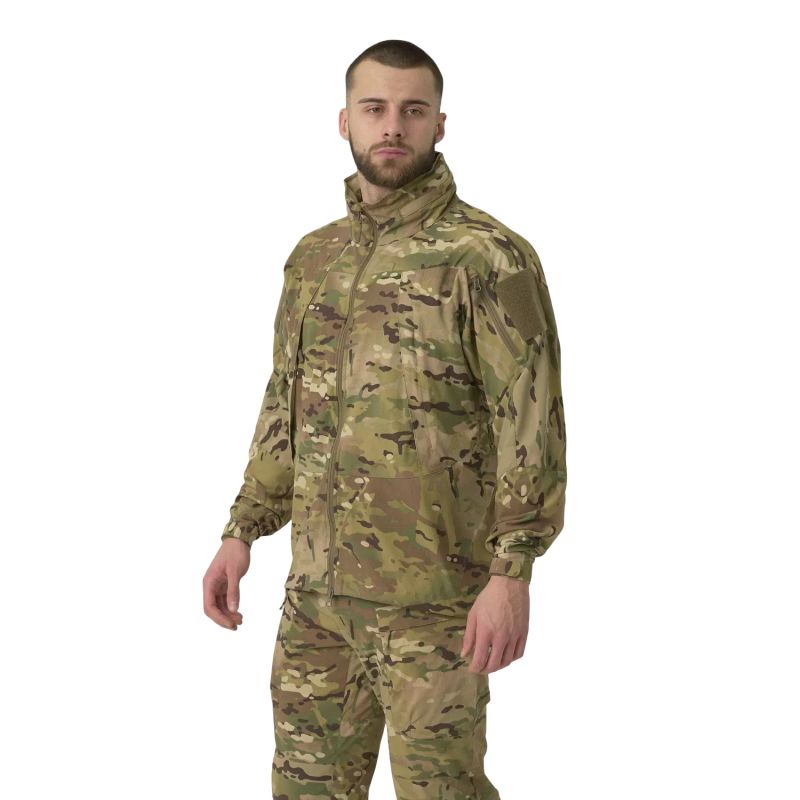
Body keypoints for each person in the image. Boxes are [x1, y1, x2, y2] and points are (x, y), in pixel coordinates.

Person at [203, 38, 567, 800]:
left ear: (440, 124)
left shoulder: (487, 258)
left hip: (434, 607)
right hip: (317, 605)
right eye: (374, 109)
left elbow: (530, 421)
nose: (392, 126)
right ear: (344, 121)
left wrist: (512, 573)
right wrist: (242, 531)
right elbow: (285, 403)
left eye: (412, 110)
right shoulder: (314, 259)